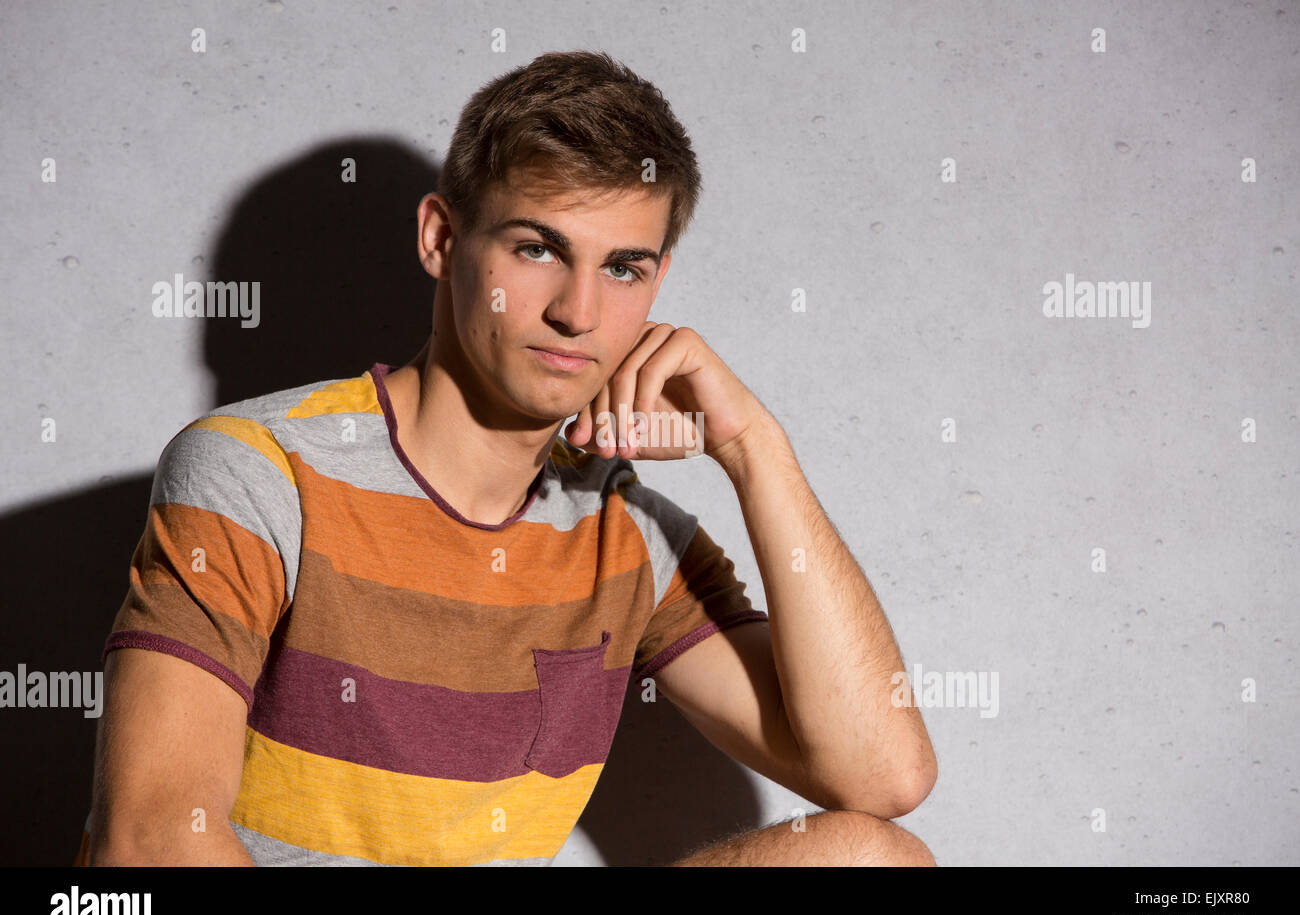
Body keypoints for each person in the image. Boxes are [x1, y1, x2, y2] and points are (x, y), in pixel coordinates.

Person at [77, 50, 937, 867]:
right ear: (442, 239)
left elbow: (882, 777)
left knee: (870, 857)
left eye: (624, 268)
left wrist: (756, 450)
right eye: (538, 249)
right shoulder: (257, 470)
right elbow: (151, 843)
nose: (578, 311)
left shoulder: (624, 533)